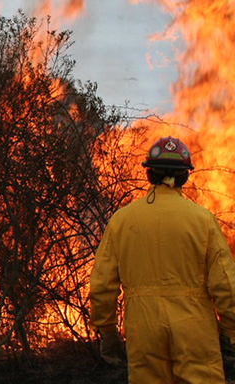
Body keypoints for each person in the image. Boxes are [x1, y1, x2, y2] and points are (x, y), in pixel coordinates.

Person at [90, 136, 235, 383]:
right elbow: (227, 286)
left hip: (143, 328)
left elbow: (103, 285)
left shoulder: (122, 220)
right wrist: (230, 332)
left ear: (150, 174)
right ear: (185, 176)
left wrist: (107, 331)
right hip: (195, 328)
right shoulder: (203, 220)